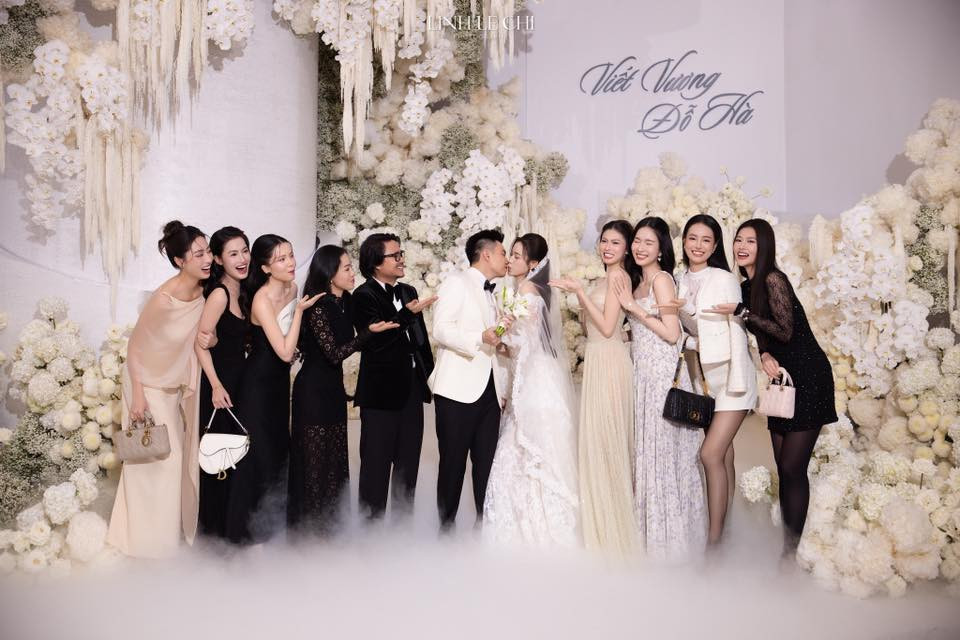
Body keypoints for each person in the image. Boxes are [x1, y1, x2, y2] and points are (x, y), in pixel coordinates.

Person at [732, 219, 836, 558]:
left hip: (809, 376)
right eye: (738, 239)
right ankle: (787, 548)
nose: (742, 246)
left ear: (764, 247)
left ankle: (789, 555)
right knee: (783, 467)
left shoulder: (773, 279)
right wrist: (763, 353)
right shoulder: (746, 287)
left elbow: (785, 330)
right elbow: (764, 334)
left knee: (793, 467)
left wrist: (742, 313)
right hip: (783, 378)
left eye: (751, 241)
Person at [107, 221, 211, 558]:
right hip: (145, 382)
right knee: (159, 459)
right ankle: (147, 546)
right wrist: (138, 396)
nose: (207, 259)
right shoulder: (164, 299)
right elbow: (135, 348)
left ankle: (156, 541)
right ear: (180, 261)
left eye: (208, 251)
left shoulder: (203, 292)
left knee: (167, 463)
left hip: (170, 384)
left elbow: (197, 339)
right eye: (199, 254)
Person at [288, 245, 398, 536]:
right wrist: (367, 334)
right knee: (314, 464)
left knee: (335, 462)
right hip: (312, 392)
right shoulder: (317, 306)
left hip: (334, 392)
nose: (352, 273)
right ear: (329, 273)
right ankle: (308, 534)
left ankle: (332, 531)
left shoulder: (346, 301)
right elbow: (334, 354)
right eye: (346, 268)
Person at [616, 217, 707, 560]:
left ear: (661, 249)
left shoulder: (662, 280)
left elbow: (672, 333)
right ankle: (650, 541)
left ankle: (674, 547)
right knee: (648, 456)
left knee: (665, 457)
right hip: (643, 376)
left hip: (662, 376)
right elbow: (641, 330)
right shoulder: (637, 281)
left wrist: (632, 308)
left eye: (648, 243)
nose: (640, 247)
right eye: (637, 241)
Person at [483, 234, 580, 547]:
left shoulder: (526, 291)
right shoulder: (529, 290)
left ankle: (530, 533)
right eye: (510, 254)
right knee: (525, 450)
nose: (510, 260)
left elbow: (526, 344)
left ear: (533, 263)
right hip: (534, 375)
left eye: (516, 255)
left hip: (535, 379)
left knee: (526, 448)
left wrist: (500, 337)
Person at [225, 234, 320, 543]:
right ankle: (244, 537)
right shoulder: (261, 299)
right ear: (265, 268)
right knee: (257, 456)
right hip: (257, 386)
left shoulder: (292, 289)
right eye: (281, 259)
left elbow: (291, 345)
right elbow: (283, 350)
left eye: (290, 255)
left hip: (279, 384)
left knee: (279, 453)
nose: (290, 263)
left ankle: (271, 530)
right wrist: (300, 312)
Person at [551, 219, 637, 557]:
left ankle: (615, 533)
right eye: (604, 241)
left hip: (610, 362)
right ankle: (602, 528)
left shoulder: (618, 277)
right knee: (598, 443)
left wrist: (580, 293)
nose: (607, 247)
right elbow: (594, 329)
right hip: (599, 359)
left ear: (626, 249)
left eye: (615, 243)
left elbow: (606, 327)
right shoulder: (605, 277)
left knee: (609, 442)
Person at [671, 214, 757, 547]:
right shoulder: (678, 279)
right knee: (724, 455)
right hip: (702, 382)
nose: (698, 245)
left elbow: (736, 332)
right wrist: (685, 325)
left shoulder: (723, 278)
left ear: (715, 245)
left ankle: (715, 542)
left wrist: (738, 382)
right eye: (693, 238)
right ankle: (728, 528)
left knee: (710, 455)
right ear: (684, 241)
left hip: (732, 380)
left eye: (706, 240)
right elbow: (684, 330)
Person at [429, 229, 510, 530]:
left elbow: (491, 340)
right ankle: (446, 529)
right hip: (456, 390)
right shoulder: (456, 283)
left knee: (487, 463)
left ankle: (484, 527)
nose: (506, 259)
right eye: (502, 252)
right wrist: (479, 337)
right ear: (486, 254)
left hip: (490, 390)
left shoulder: (495, 292)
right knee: (452, 463)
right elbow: (441, 329)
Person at [352, 233, 436, 520]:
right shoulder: (363, 296)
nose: (401, 260)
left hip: (411, 389)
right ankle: (370, 532)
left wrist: (429, 376)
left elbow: (420, 340)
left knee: (408, 466)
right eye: (395, 255)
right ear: (376, 262)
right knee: (375, 466)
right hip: (380, 394)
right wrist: (406, 317)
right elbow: (376, 343)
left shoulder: (408, 291)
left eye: (402, 254)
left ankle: (402, 533)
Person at [195, 226, 250, 539]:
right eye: (233, 254)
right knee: (218, 460)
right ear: (218, 259)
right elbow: (200, 344)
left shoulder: (242, 291)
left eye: (245, 251)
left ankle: (232, 530)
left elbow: (217, 339)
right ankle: (214, 536)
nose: (242, 259)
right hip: (220, 388)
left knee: (235, 457)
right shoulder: (219, 294)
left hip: (238, 384)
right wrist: (215, 385)